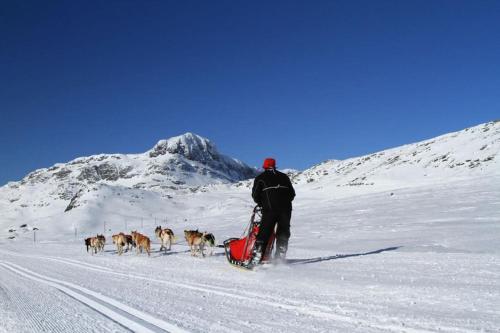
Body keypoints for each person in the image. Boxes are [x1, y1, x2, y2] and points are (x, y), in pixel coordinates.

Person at [251, 157, 295, 265]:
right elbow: (292, 193)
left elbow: (255, 195)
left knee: (264, 233)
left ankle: (257, 257)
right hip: (286, 210)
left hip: (269, 210)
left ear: (264, 166)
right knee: (283, 233)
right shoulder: (284, 177)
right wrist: (284, 203)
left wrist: (262, 203)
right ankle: (279, 259)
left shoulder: (260, 178)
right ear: (274, 166)